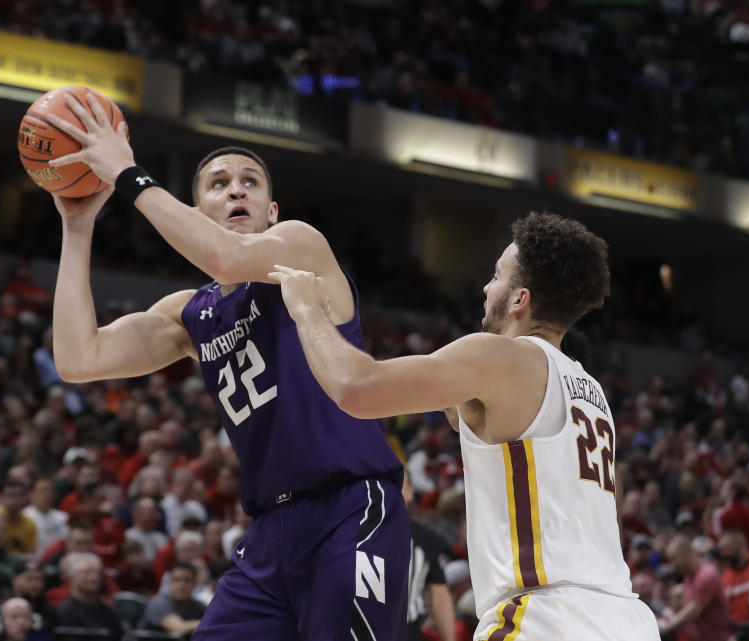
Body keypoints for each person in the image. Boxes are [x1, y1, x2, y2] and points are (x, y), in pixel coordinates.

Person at [46, 95, 409, 640]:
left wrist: (127, 173)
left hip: (350, 508)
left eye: (249, 182)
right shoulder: (192, 313)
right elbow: (79, 359)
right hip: (269, 531)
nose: (236, 189)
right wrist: (77, 229)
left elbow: (229, 259)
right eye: (218, 184)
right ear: (196, 216)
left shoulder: (300, 247)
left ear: (272, 212)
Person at [268, 213, 660, 640]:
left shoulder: (501, 359)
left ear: (519, 300)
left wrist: (307, 311)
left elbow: (356, 388)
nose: (485, 287)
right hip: (627, 619)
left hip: (547, 617)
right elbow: (454, 407)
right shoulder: (590, 391)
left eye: (496, 276)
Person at [402, 471, 455, 641]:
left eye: (398, 483)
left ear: (410, 493)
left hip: (406, 631)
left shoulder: (424, 538)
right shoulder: (350, 532)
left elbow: (439, 593)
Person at [660, 534, 731, 641]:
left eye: (674, 559)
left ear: (687, 554)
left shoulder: (706, 575)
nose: (672, 566)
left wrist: (664, 629)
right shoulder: (688, 576)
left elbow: (694, 610)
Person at [54, 553, 122, 641]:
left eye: (97, 573)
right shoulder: (63, 612)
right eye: (87, 573)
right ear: (72, 577)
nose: (94, 578)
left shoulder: (110, 611)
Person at [141, 562, 207, 640]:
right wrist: (209, 623)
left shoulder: (199, 607)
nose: (181, 586)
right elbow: (180, 628)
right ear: (169, 583)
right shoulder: (158, 603)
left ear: (195, 584)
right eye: (176, 580)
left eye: (187, 580)